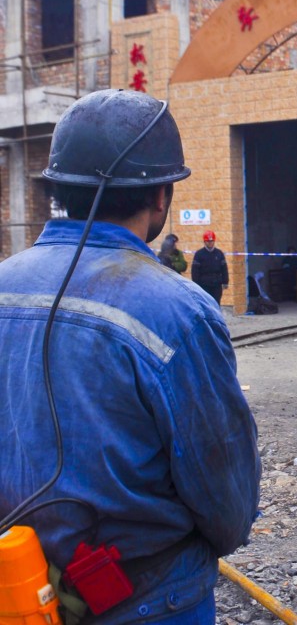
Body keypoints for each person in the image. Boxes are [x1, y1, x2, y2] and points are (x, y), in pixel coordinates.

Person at [0, 89, 261, 624]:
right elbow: (225, 498)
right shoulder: (179, 312)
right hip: (147, 597)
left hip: (19, 586)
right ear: (162, 196)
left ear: (60, 187)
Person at [192, 229, 229, 304]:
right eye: (208, 241)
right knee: (206, 303)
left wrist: (225, 281)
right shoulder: (199, 254)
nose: (210, 243)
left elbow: (224, 268)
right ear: (204, 242)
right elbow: (195, 271)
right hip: (204, 284)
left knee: (216, 303)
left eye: (212, 241)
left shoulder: (219, 253)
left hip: (216, 284)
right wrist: (196, 284)